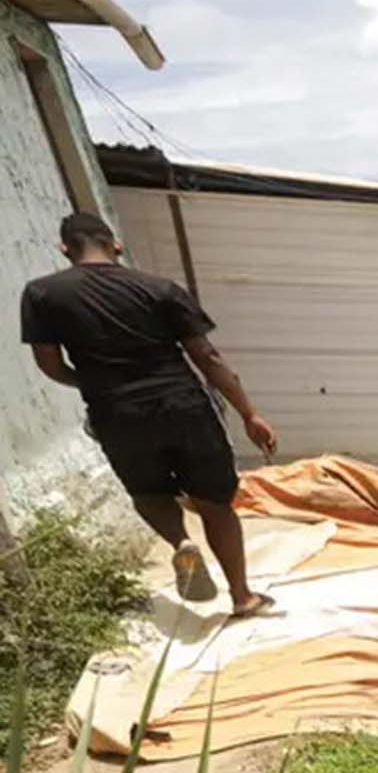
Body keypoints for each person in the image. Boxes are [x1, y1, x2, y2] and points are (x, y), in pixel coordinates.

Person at [19, 211, 279, 615]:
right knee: (214, 501)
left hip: (115, 411)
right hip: (183, 405)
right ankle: (243, 596)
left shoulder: (42, 295)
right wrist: (250, 414)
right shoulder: (160, 289)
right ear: (115, 245)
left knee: (147, 492)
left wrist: (92, 384)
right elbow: (206, 357)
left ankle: (180, 543)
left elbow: (49, 366)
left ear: (65, 249)